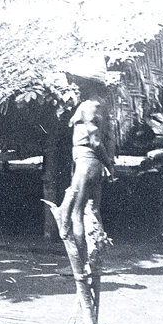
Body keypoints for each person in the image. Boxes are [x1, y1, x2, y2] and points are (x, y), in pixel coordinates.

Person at [57, 78, 116, 248]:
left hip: (86, 162)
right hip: (92, 164)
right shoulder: (102, 106)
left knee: (77, 214)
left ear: (89, 84)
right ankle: (94, 262)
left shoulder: (87, 106)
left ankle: (82, 265)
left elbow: (96, 141)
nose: (77, 86)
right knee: (93, 211)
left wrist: (109, 164)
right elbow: (107, 138)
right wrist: (107, 163)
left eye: (80, 83)